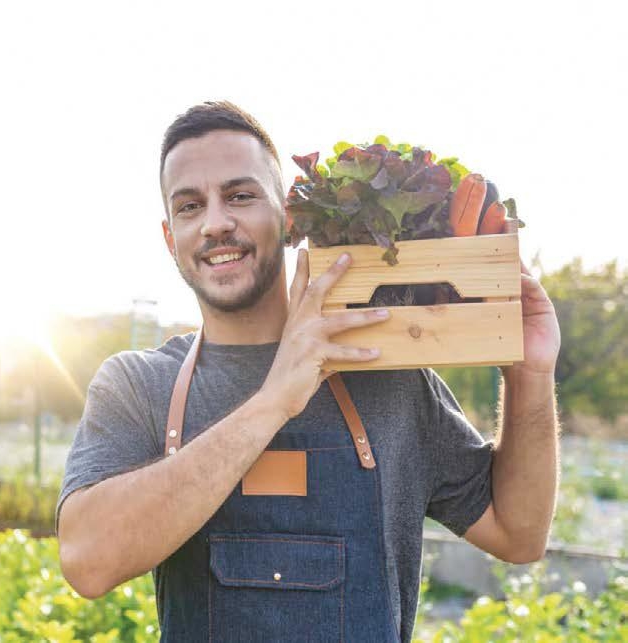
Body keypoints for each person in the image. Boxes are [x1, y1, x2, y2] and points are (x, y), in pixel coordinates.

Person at [56, 101, 561, 642]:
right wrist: (274, 399)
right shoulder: (137, 385)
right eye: (189, 206)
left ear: (289, 217)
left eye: (240, 196)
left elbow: (520, 533)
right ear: (169, 236)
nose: (215, 223)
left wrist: (530, 375)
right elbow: (88, 560)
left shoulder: (386, 374)